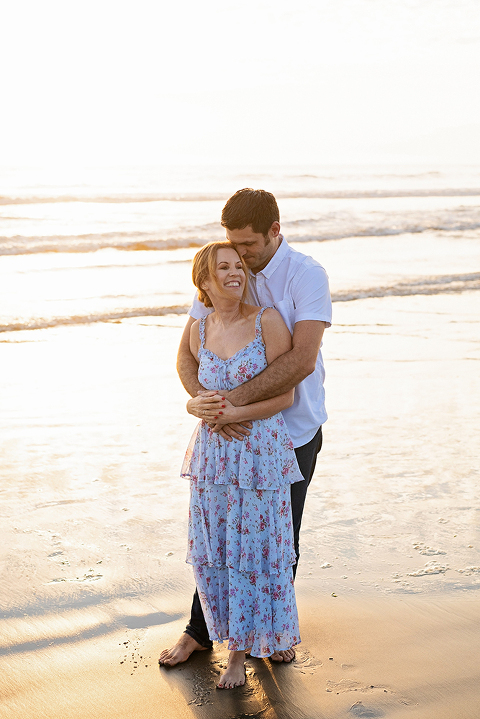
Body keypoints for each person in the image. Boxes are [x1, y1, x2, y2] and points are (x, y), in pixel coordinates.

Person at [159, 188, 332, 668]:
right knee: (217, 535)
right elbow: (187, 353)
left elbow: (300, 360)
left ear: (275, 232)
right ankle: (201, 630)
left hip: (291, 433)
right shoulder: (229, 271)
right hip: (225, 439)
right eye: (232, 245)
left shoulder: (307, 276)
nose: (240, 257)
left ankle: (272, 632)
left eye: (249, 246)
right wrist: (200, 400)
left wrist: (228, 406)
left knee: (278, 538)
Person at [179, 240, 304, 689]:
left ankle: (239, 654)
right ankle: (224, 634)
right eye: (223, 268)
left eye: (238, 265)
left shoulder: (267, 321)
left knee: (255, 553)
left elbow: (285, 394)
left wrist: (230, 413)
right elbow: (187, 370)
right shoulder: (199, 327)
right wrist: (198, 405)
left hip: (259, 453)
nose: (235, 272)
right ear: (205, 282)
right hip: (212, 457)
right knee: (217, 554)